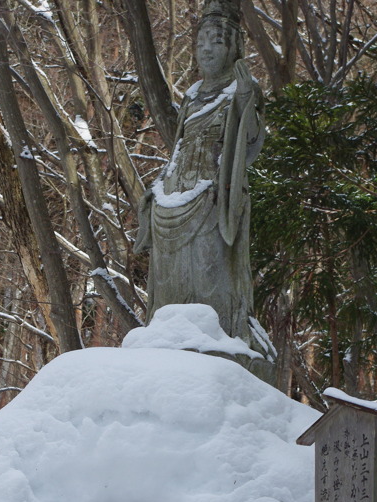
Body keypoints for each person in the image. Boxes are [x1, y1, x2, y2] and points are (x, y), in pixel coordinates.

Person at [134, 0, 264, 344]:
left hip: (213, 194)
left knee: (209, 268)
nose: (206, 49)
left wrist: (245, 98)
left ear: (234, 48)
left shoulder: (242, 88)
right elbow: (179, 146)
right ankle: (166, 332)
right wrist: (160, 185)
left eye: (217, 42)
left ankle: (217, 334)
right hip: (177, 190)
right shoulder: (191, 96)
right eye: (201, 42)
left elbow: (250, 145)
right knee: (169, 274)